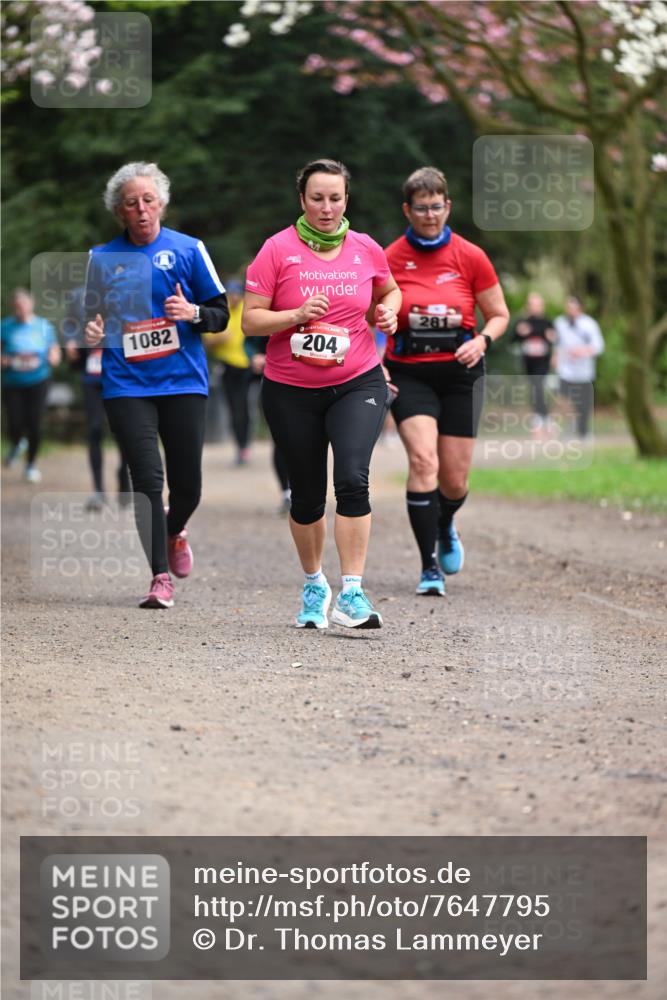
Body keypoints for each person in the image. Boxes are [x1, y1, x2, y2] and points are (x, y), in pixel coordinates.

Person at [243, 158, 401, 629]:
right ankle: (314, 585)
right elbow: (250, 319)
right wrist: (294, 315)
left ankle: (352, 592)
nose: (327, 208)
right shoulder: (277, 250)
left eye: (335, 198)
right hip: (291, 389)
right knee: (307, 497)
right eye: (317, 198)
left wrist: (388, 313)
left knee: (352, 478)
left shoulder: (366, 248)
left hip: (357, 381)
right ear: (302, 200)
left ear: (347, 199)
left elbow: (389, 292)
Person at [84, 161, 229, 609]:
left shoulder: (188, 250)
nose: (142, 210)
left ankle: (175, 529)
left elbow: (220, 314)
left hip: (183, 381)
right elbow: (88, 318)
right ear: (119, 213)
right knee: (145, 479)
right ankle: (159, 578)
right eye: (132, 203)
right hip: (127, 384)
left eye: (148, 200)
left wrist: (194, 314)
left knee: (188, 486)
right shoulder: (101, 258)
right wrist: (88, 334)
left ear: (161, 204)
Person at [384, 166, 509, 596]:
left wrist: (483, 341)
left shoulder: (470, 256)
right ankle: (428, 567)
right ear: (408, 209)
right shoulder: (389, 257)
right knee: (423, 462)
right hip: (408, 372)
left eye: (437, 207)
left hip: (460, 374)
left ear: (448, 206)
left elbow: (499, 314)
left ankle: (445, 522)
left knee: (454, 480)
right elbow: (368, 317)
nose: (430, 216)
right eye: (421, 208)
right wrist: (377, 362)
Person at [63, 284, 131, 510]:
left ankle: (124, 479)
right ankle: (99, 491)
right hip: (92, 375)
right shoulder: (79, 295)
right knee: (94, 430)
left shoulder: (128, 291)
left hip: (121, 374)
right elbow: (70, 324)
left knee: (124, 430)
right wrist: (70, 342)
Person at [1, 288, 61, 483]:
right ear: (13, 308)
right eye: (17, 308)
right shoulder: (5, 327)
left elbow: (54, 351)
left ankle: (31, 465)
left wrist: (54, 357)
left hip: (39, 380)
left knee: (35, 423)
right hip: (13, 382)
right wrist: (7, 361)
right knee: (15, 422)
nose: (21, 310)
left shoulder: (44, 326)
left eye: (23, 306)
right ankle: (18, 442)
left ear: (31, 304)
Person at [204, 278, 256, 465]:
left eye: (237, 294)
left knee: (246, 408)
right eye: (230, 294)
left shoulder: (247, 307)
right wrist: (219, 340)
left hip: (249, 367)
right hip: (228, 367)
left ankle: (246, 444)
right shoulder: (221, 310)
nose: (233, 298)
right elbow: (208, 342)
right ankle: (241, 446)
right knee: (235, 409)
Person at [553, 295, 604, 440]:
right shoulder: (559, 323)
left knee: (583, 404)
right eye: (568, 307)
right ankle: (570, 425)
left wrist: (583, 351)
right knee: (563, 399)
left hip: (584, 372)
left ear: (580, 308)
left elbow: (599, 346)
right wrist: (555, 358)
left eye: (573, 307)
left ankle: (583, 431)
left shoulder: (590, 324)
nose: (570, 310)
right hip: (565, 370)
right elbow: (557, 344)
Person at [512, 291, 556, 436]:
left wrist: (551, 339)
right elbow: (513, 339)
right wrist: (520, 333)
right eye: (532, 304)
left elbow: (554, 340)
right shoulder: (522, 322)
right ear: (528, 306)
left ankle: (541, 420)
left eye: (538, 304)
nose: (535, 307)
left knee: (538, 386)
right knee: (535, 388)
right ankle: (544, 419)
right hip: (529, 362)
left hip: (543, 362)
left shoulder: (548, 322)